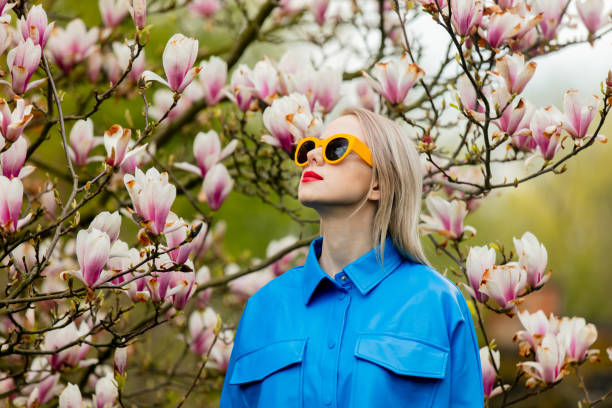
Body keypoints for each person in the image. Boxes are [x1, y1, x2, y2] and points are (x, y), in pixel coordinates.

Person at [219, 107, 485, 407]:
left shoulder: (437, 303)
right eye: (310, 147)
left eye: (336, 148)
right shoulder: (262, 309)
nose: (312, 156)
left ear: (379, 183)